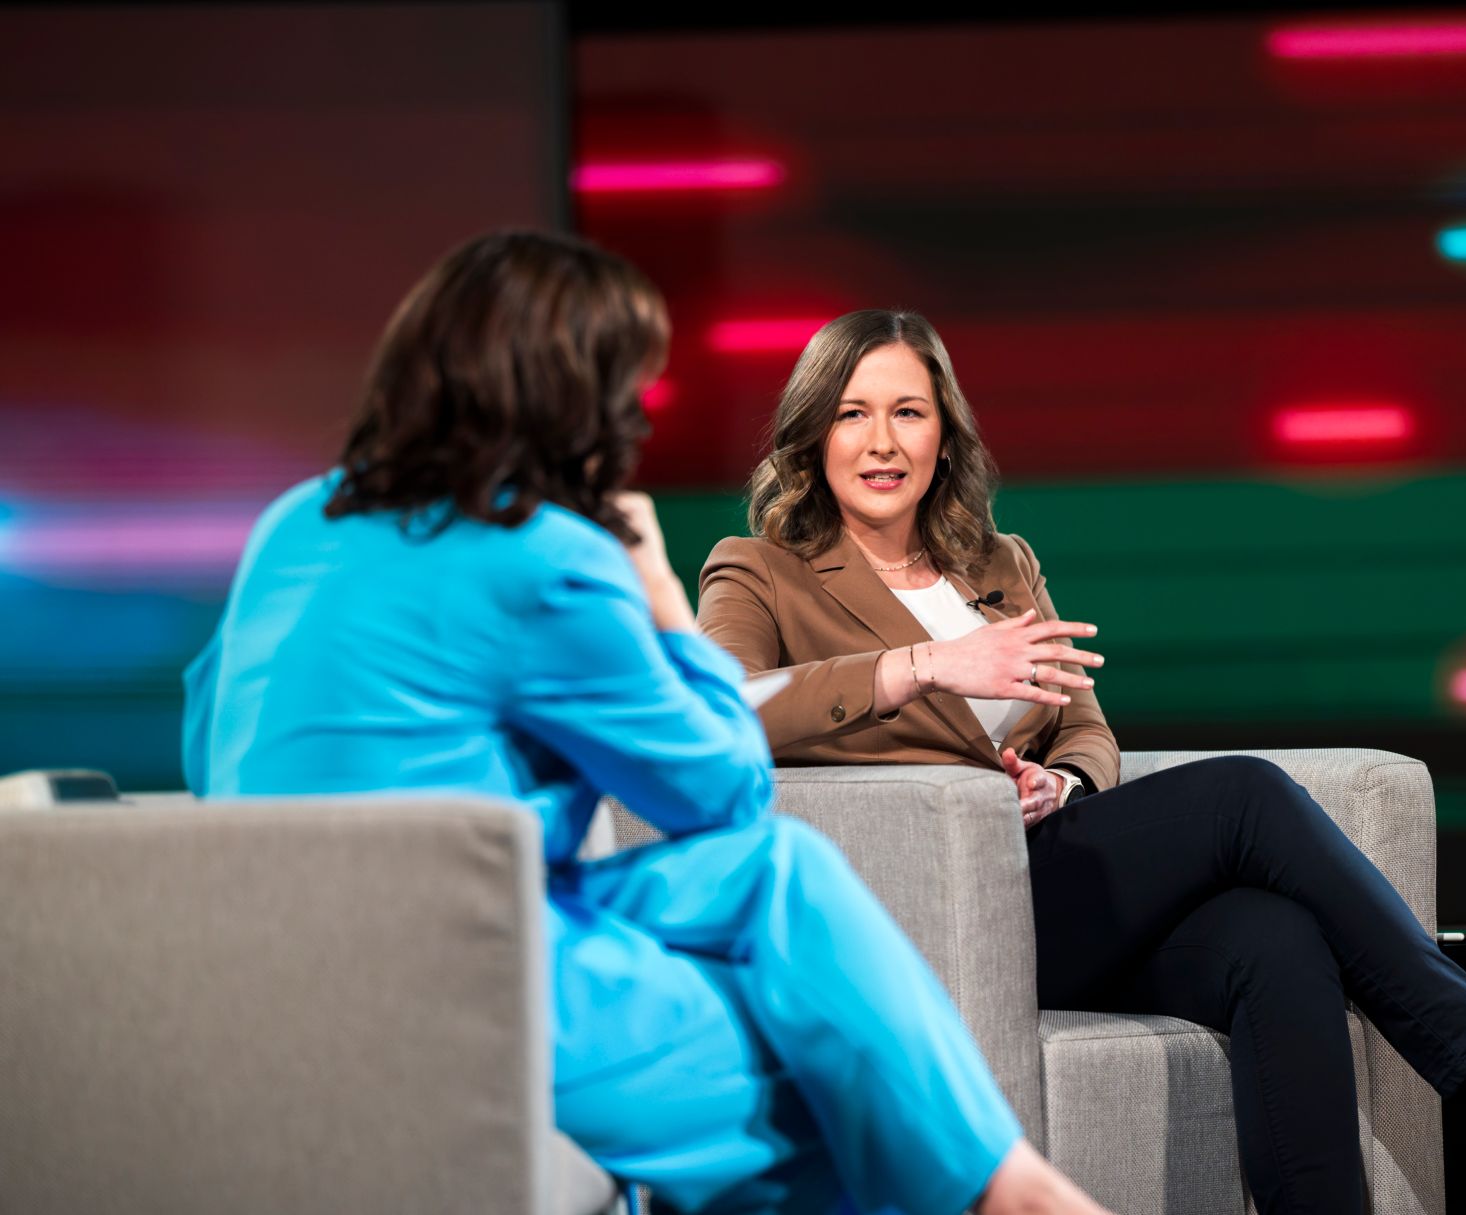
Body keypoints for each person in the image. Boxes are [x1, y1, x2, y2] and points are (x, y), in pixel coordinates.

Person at [696, 309, 1466, 1215]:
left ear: (943, 435)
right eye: (852, 413)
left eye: (908, 412)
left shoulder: (998, 565)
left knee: (1273, 941)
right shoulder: (760, 571)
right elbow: (722, 714)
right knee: (1243, 793)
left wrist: (1067, 781)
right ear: (812, 434)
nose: (881, 441)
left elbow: (1085, 726)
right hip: (930, 916)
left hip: (1053, 883)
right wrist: (919, 666)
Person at [180, 234, 1113, 1215]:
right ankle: (1012, 1192)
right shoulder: (544, 554)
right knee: (833, 1097)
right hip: (456, 962)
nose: (634, 421)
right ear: (568, 401)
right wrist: (661, 598)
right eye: (625, 391)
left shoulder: (293, 523)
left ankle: (1007, 1184)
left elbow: (209, 746)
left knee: (779, 874)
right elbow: (718, 790)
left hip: (269, 944)